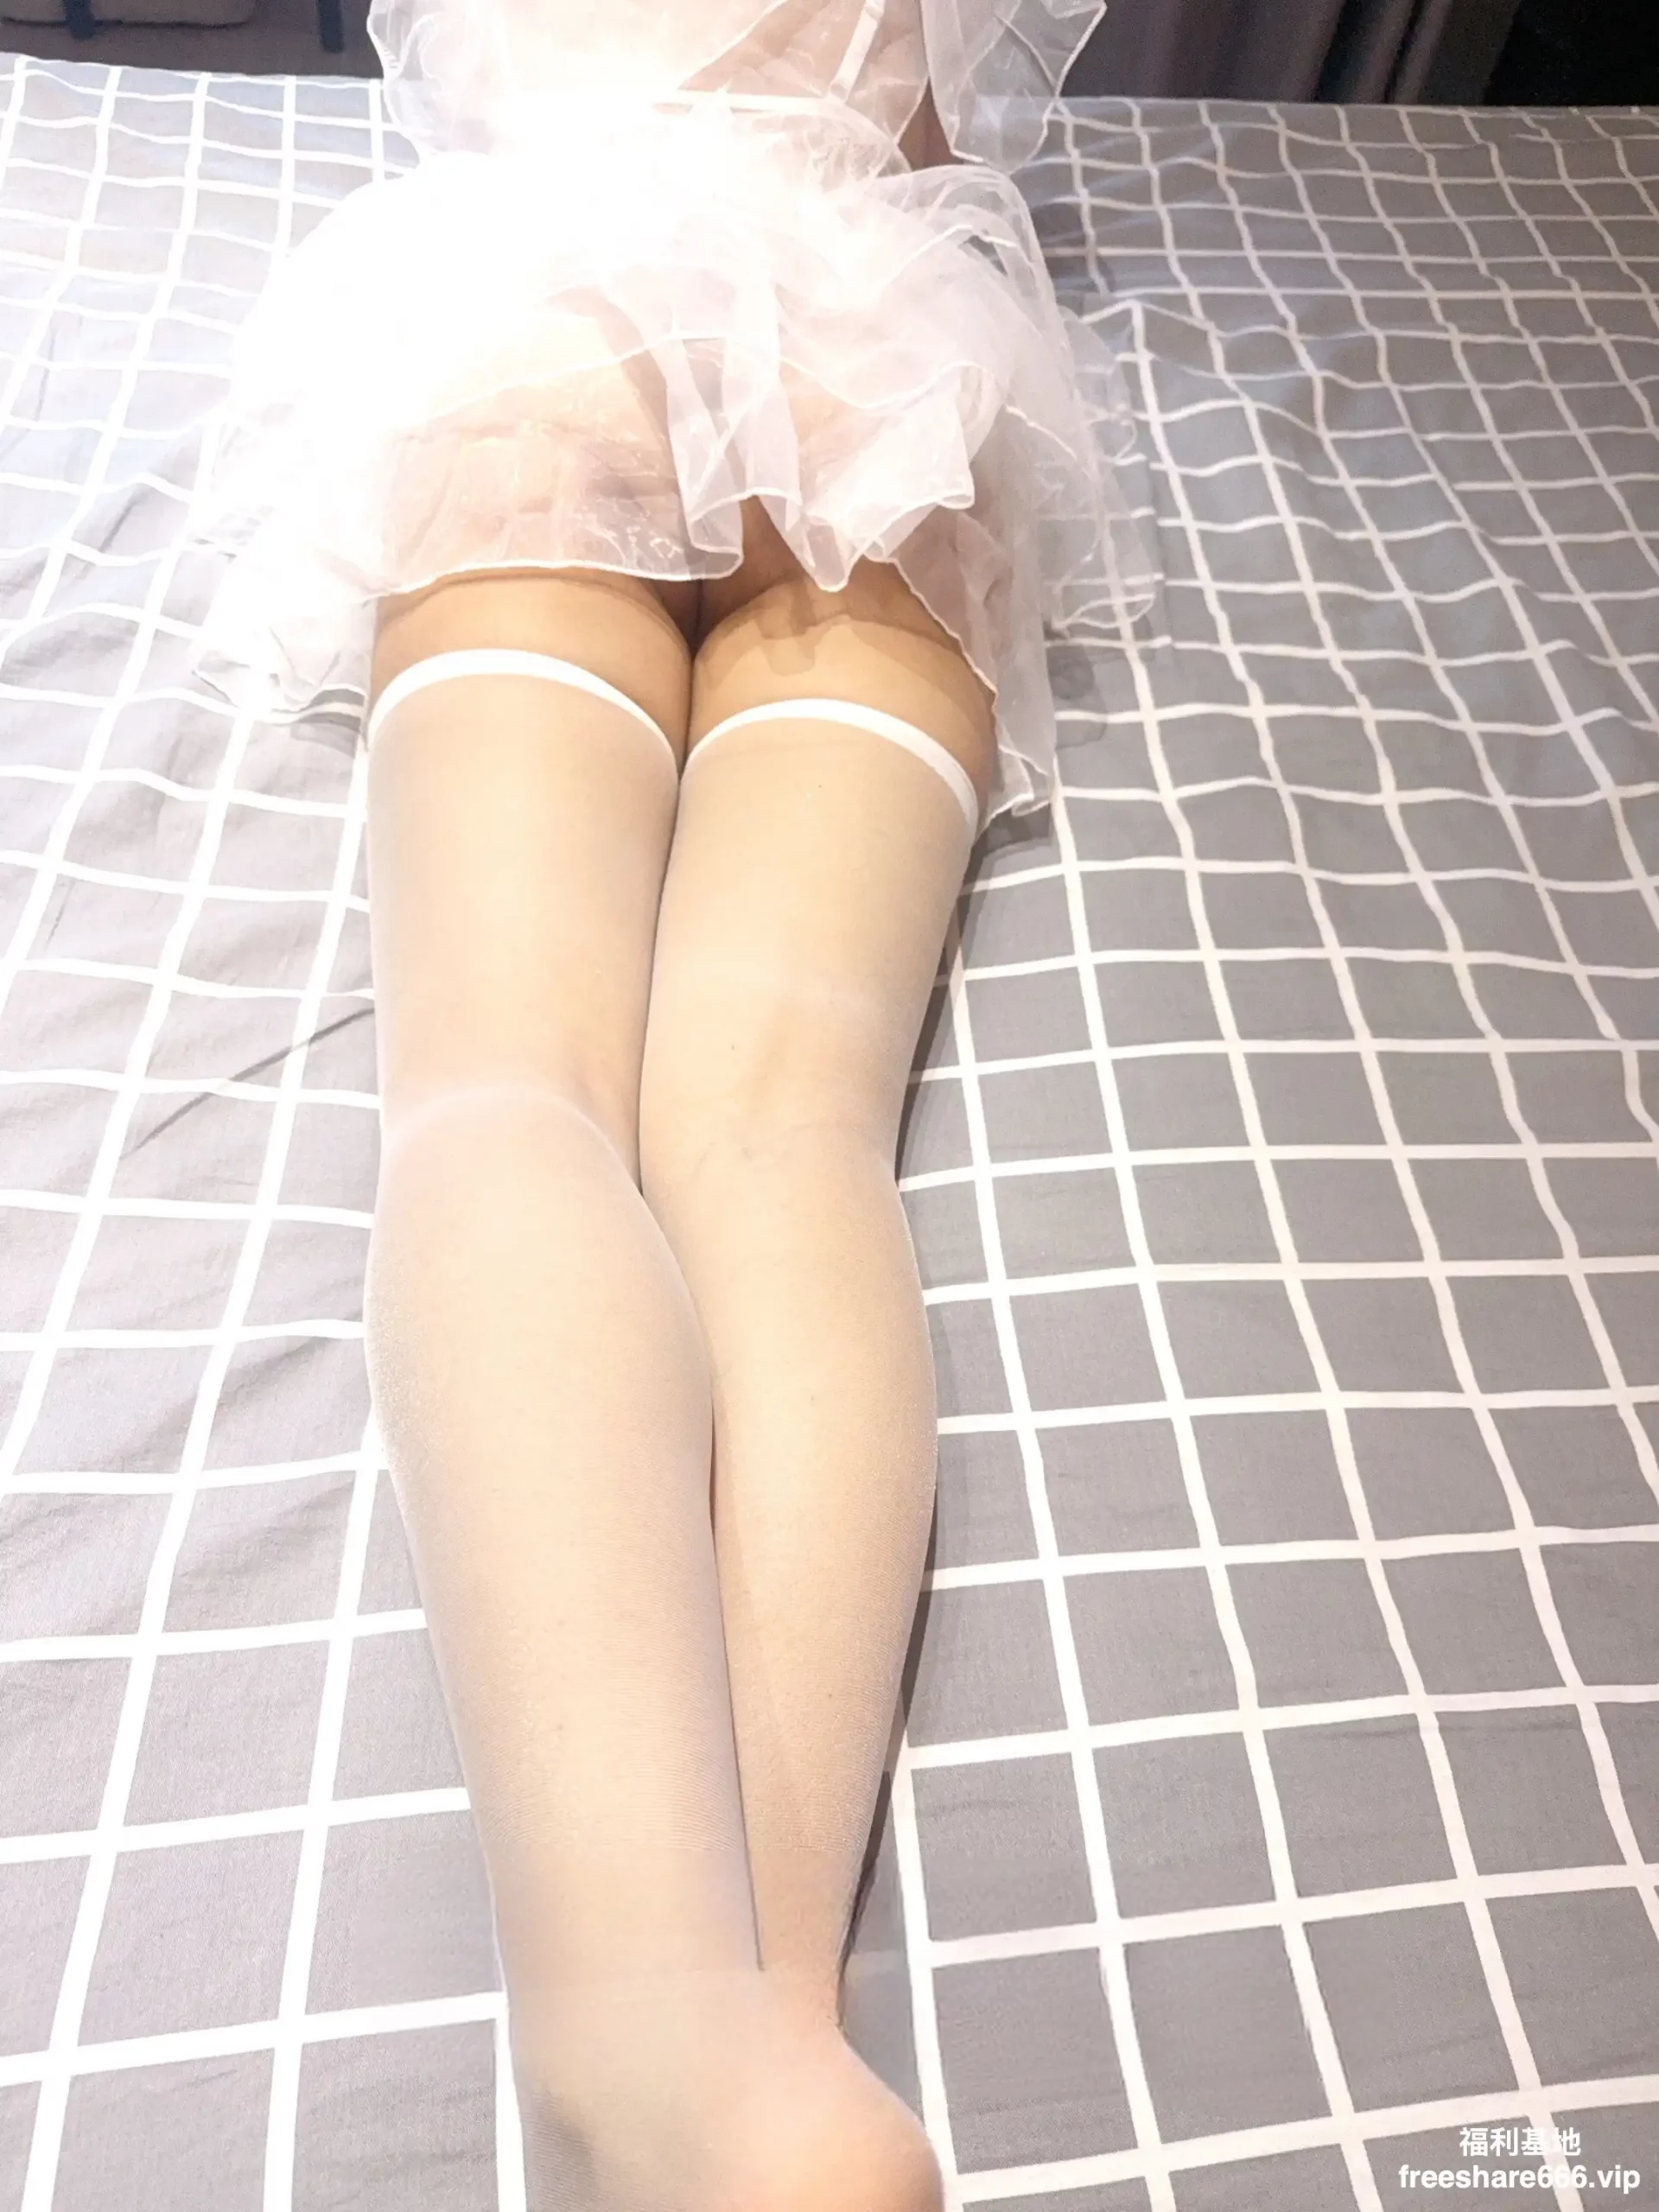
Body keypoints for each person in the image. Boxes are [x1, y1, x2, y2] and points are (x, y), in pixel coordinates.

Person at [186, 4, 1155, 2204]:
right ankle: (767, 2043)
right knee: (780, 1130)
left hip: (550, 340)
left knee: (506, 1089)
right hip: (885, 370)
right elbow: (926, 120)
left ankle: (645, 2040)